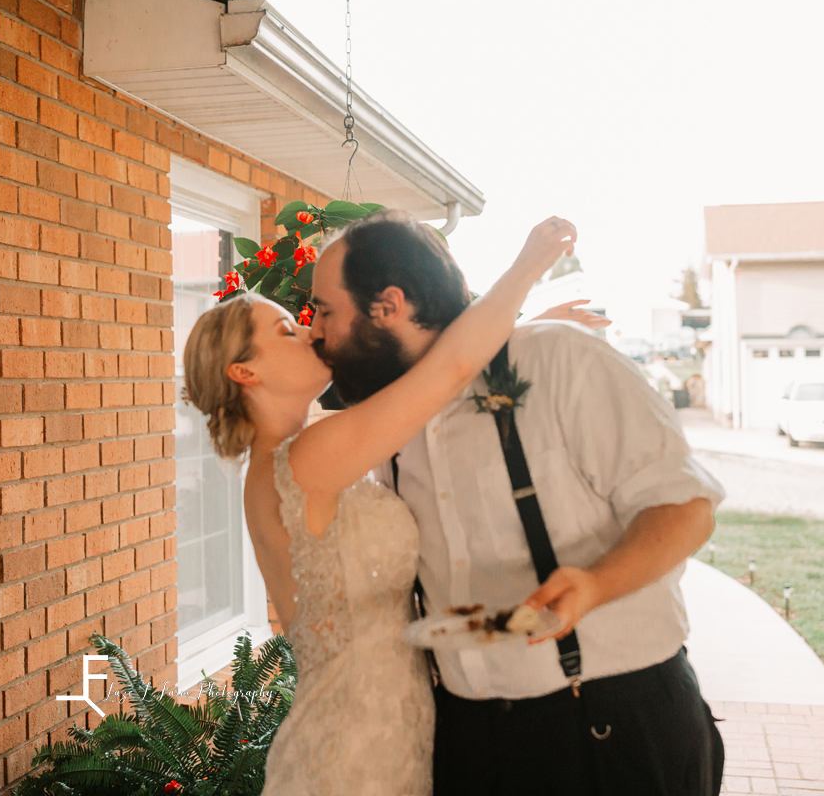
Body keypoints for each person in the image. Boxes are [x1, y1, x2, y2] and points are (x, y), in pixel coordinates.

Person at [308, 210, 727, 796]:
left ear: (388, 306)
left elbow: (686, 508)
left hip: (612, 724)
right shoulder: (383, 426)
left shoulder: (561, 361)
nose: (315, 332)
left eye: (325, 310)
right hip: (468, 740)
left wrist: (595, 585)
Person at [182, 216, 578, 795]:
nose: (314, 333)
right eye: (289, 332)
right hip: (354, 750)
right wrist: (528, 268)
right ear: (245, 372)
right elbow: (449, 373)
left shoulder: (297, 450)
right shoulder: (307, 460)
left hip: (379, 727)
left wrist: (527, 331)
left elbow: (426, 396)